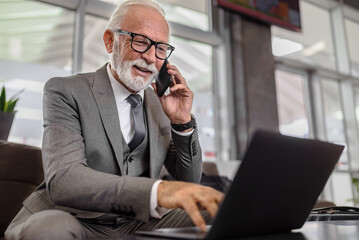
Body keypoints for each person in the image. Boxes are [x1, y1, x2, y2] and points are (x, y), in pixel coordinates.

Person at [5, 0, 224, 239]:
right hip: (74, 218)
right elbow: (65, 179)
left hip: (136, 222)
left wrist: (182, 123)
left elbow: (188, 181)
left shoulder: (161, 105)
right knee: (49, 230)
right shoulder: (65, 91)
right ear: (110, 41)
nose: (151, 57)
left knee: (220, 212)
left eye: (161, 48)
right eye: (141, 42)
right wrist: (157, 191)